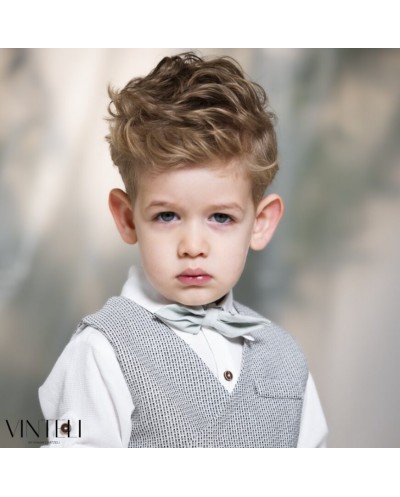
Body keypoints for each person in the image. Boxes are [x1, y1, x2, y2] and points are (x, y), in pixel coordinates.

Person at [38, 52, 328, 447]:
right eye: (167, 216)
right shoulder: (101, 351)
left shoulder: (285, 357)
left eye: (221, 217)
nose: (192, 247)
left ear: (260, 223)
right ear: (127, 218)